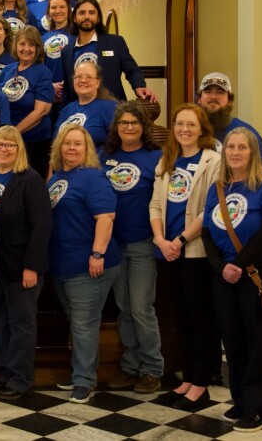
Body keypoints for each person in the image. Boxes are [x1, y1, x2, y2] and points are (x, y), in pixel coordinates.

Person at [202, 128, 262, 433]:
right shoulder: (218, 187)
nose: (235, 152)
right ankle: (241, 401)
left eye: (242, 148)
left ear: (253, 153)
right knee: (233, 340)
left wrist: (237, 264)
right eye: (231, 147)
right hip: (225, 275)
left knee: (259, 340)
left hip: (258, 272)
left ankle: (260, 409)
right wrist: (220, 267)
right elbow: (209, 232)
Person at [150, 103, 221, 410]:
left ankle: (201, 384)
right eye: (179, 124)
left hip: (195, 252)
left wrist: (179, 240)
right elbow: (155, 204)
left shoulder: (213, 161)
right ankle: (187, 379)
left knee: (201, 319)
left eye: (191, 125)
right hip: (167, 252)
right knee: (179, 320)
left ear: (202, 129)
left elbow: (211, 210)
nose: (184, 130)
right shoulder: (168, 159)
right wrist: (161, 240)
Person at [0, 126, 52, 401]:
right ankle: (6, 373)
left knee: (22, 324)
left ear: (19, 149)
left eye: (10, 145)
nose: (4, 149)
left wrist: (32, 266)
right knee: (1, 323)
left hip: (22, 267)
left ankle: (21, 379)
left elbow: (42, 226)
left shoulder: (30, 179)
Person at [47, 123, 121, 403]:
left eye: (78, 143)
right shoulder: (56, 177)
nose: (72, 148)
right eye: (67, 143)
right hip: (62, 264)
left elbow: (105, 217)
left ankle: (85, 381)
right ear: (59, 147)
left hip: (89, 264)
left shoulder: (93, 177)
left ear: (88, 148)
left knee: (84, 324)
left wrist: (98, 254)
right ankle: (80, 371)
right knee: (76, 322)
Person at [100, 101, 164, 394]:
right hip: (113, 244)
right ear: (117, 127)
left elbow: (163, 202)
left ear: (143, 127)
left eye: (134, 123)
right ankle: (130, 365)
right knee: (124, 308)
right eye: (124, 123)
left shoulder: (156, 158)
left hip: (142, 244)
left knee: (141, 308)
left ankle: (152, 368)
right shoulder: (105, 156)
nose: (129, 128)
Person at [63, 0, 157, 102]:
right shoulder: (66, 51)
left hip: (113, 108)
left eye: (92, 13)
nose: (87, 16)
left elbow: (132, 70)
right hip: (80, 111)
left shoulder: (115, 43)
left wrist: (139, 86)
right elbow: (67, 88)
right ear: (74, 18)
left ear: (98, 18)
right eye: (82, 13)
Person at [0, 25, 54, 175]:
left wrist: (15, 132)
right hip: (9, 141)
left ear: (38, 48)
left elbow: (41, 110)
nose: (26, 49)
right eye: (22, 44)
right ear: (16, 46)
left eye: (32, 45)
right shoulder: (7, 70)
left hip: (35, 142)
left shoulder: (43, 72)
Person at [197, 72, 262, 165]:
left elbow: (261, 173)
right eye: (208, 91)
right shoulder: (186, 131)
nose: (213, 97)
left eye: (220, 92)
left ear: (230, 100)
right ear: (199, 99)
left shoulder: (248, 133)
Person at [56, 61, 117, 149]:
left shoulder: (110, 107)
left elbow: (117, 143)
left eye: (89, 77)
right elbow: (56, 141)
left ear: (98, 82)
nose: (83, 80)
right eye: (79, 77)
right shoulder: (66, 110)